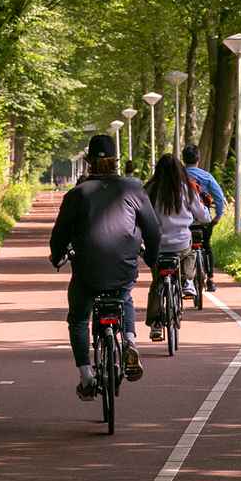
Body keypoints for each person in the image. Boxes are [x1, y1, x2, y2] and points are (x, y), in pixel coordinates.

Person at [50, 134, 161, 399]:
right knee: (124, 296)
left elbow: (59, 234)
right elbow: (153, 231)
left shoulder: (76, 194)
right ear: (116, 162)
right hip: (123, 266)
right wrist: (152, 258)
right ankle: (130, 342)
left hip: (87, 271)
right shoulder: (134, 188)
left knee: (78, 318)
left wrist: (57, 257)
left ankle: (87, 376)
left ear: (88, 162)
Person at [143, 154, 212, 340]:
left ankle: (156, 323)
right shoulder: (187, 189)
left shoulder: (149, 189)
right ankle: (187, 281)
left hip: (157, 246)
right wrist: (205, 215)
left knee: (157, 282)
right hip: (181, 244)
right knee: (191, 252)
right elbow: (203, 215)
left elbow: (139, 215)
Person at [182, 143, 226, 292]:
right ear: (198, 159)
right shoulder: (206, 176)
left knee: (183, 248)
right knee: (206, 245)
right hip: (203, 220)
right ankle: (211, 280)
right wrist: (218, 216)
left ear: (183, 159)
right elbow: (219, 197)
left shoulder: (178, 176)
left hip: (183, 220)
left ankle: (183, 278)